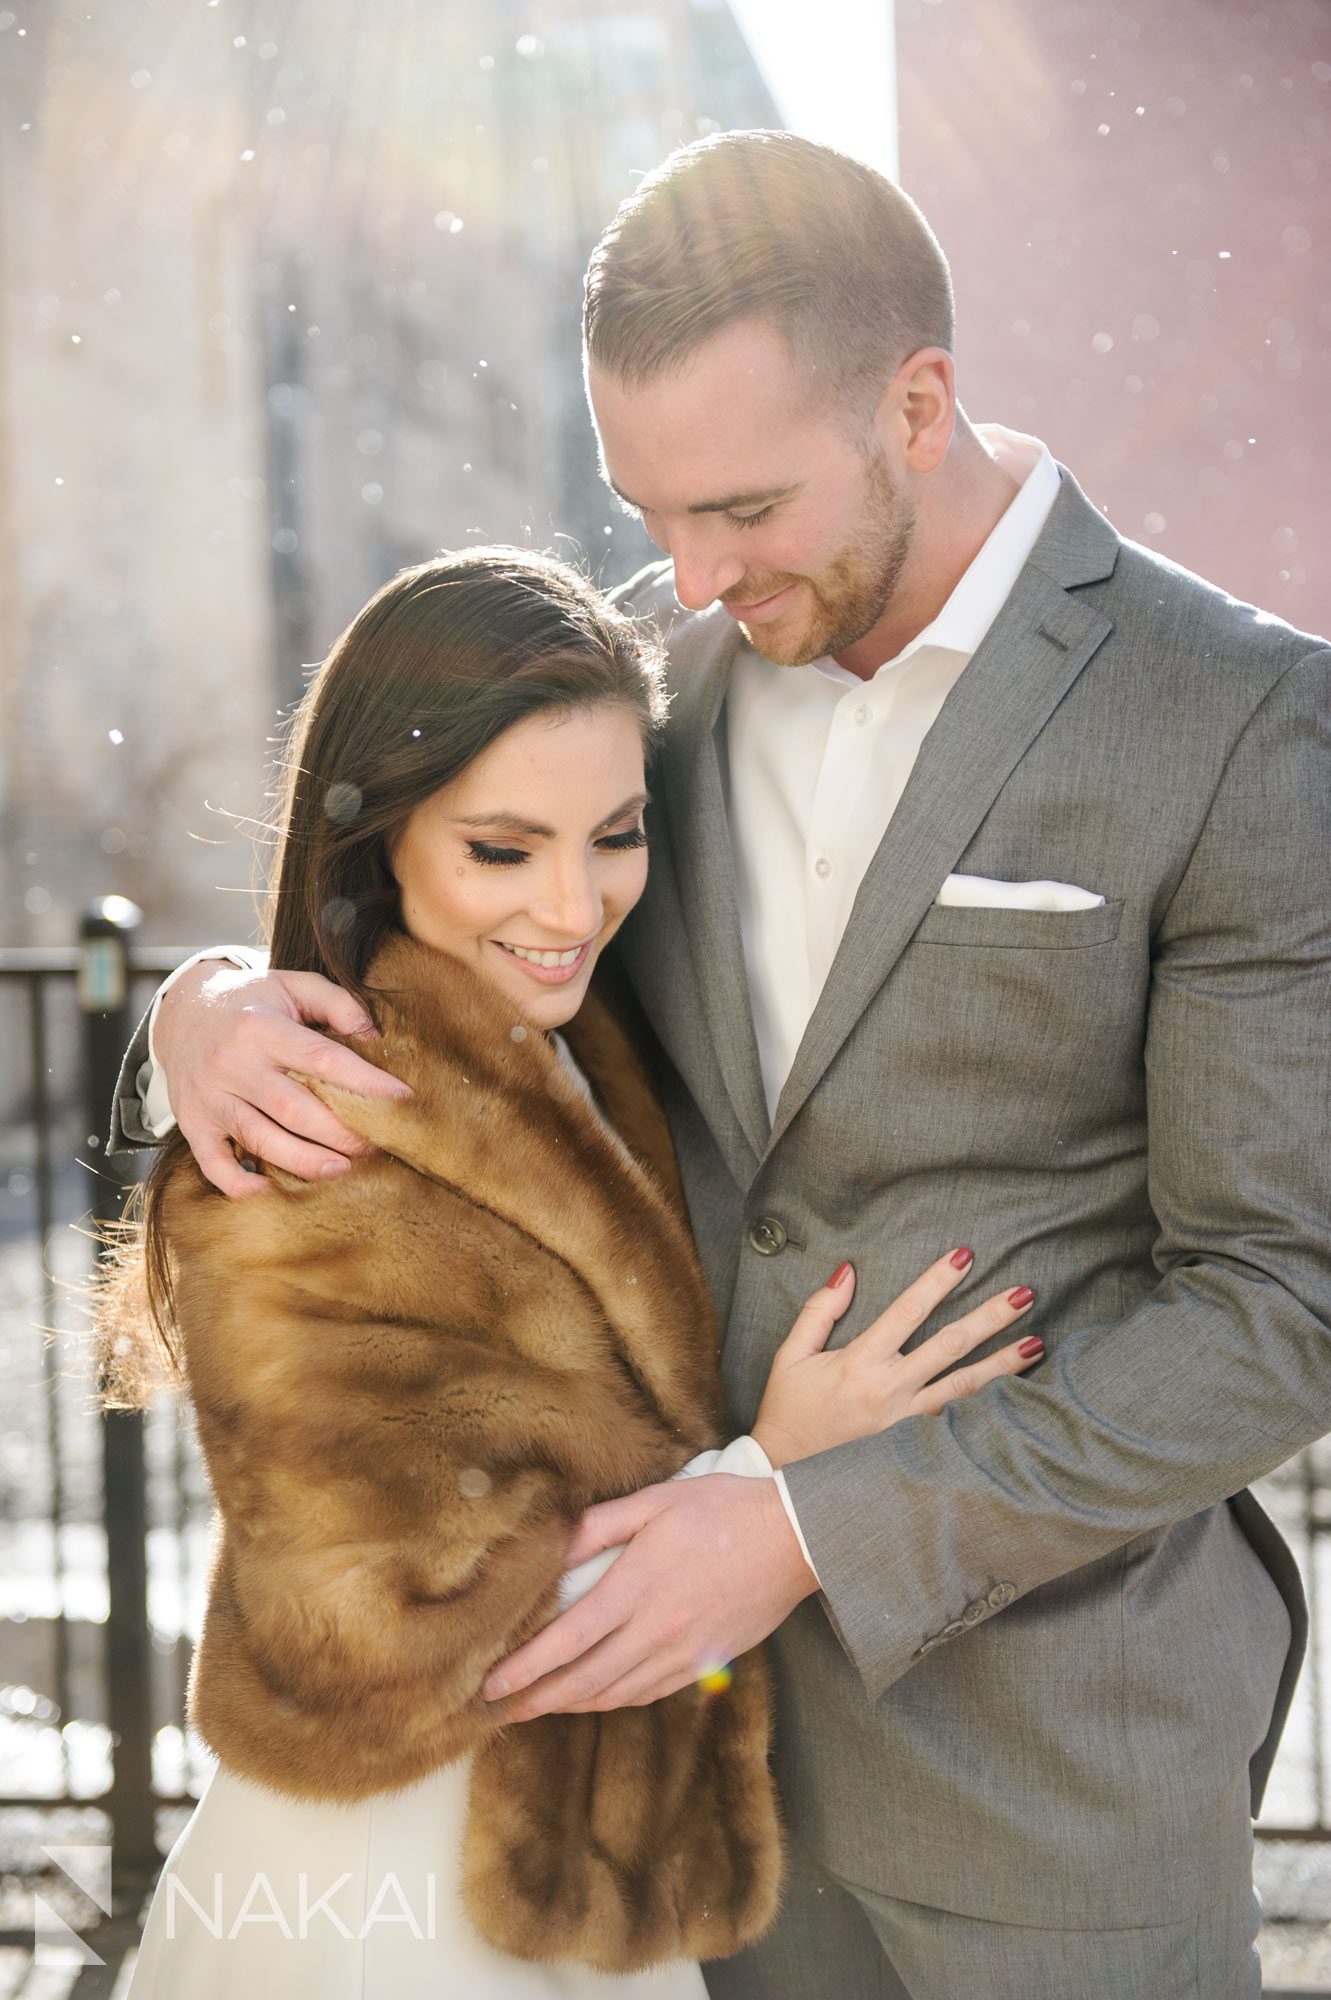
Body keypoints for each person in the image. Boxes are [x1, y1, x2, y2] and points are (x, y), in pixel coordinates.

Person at [109, 133, 1331, 2000]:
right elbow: (423, 893)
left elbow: (1284, 1298)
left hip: (1046, 1774)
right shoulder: (650, 710)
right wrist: (200, 1003)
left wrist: (798, 1522)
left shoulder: (1243, 723)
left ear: (919, 405)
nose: (687, 571)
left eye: (743, 507)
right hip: (650, 1799)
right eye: (648, 508)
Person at [97, 546, 1042, 1999]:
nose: (573, 902)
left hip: (570, 1866)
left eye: (615, 833)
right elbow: (370, 1631)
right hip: (384, 1901)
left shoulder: (586, 1046)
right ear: (380, 844)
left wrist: (193, 993)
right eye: (500, 848)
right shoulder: (298, 1144)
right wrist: (770, 1476)